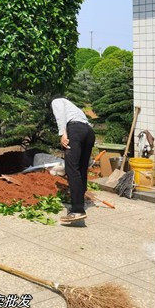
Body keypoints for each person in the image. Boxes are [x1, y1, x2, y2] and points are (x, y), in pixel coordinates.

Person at [51, 95, 95, 223]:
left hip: (76, 131)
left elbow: (60, 117)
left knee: (72, 168)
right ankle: (80, 199)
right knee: (82, 168)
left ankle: (77, 210)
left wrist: (63, 134)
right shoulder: (73, 107)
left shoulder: (57, 101)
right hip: (89, 132)